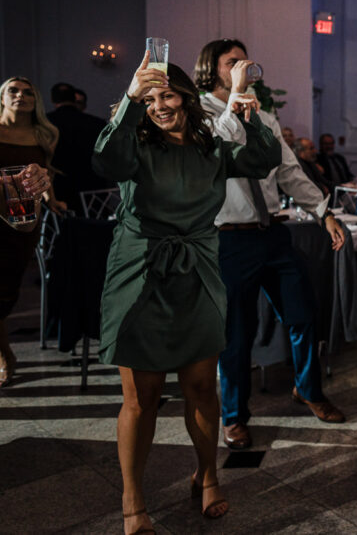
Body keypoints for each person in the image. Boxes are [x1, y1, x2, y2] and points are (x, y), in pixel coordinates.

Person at [93, 54, 280, 534]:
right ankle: (132, 498)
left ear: (186, 97)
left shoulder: (210, 148)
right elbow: (105, 161)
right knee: (143, 398)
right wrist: (131, 102)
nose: (160, 105)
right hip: (141, 272)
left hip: (196, 271)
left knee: (200, 385)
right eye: (150, 98)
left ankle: (208, 474)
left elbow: (262, 160)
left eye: (168, 94)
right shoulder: (133, 144)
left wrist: (245, 110)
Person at [194, 38, 346, 452]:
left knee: (302, 312)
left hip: (273, 234)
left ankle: (308, 389)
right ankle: (234, 417)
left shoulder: (262, 113)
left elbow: (290, 171)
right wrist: (234, 105)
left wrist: (323, 212)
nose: (244, 66)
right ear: (212, 68)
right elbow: (213, 154)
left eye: (246, 60)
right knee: (236, 334)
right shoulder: (200, 113)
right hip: (228, 239)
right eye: (233, 62)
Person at [0, 76, 58, 387]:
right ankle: (4, 353)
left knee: (8, 288)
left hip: (24, 219)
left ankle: (5, 350)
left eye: (27, 92)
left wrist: (53, 199)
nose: (20, 96)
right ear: (3, 96)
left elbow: (45, 173)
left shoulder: (45, 134)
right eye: (13, 90)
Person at [47, 82, 110, 214]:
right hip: (93, 187)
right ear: (74, 99)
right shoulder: (97, 123)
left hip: (59, 188)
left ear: (52, 100)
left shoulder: (46, 123)